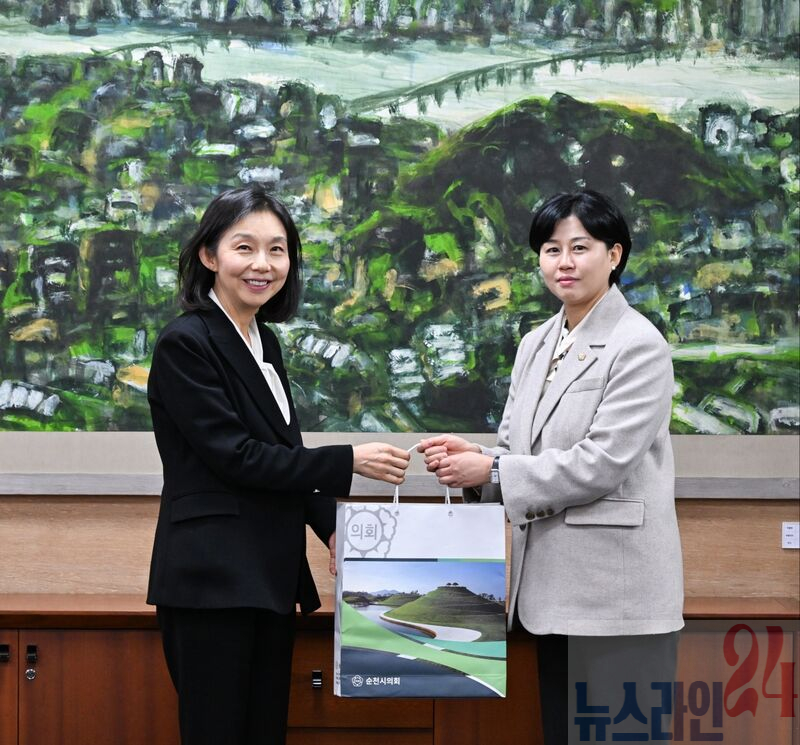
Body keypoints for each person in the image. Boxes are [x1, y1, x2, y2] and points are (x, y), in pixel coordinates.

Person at [146, 184, 410, 745]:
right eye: (244, 248)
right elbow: (237, 457)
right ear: (209, 255)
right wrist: (349, 460)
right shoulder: (185, 342)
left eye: (277, 249)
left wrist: (333, 527)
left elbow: (281, 453)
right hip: (212, 580)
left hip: (266, 575)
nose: (262, 264)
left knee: (263, 732)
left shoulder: (263, 341)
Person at [419, 189, 684, 744]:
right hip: (548, 598)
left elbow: (601, 463)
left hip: (616, 602)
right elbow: (516, 451)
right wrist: (477, 460)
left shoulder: (639, 343)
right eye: (551, 249)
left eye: (580, 247)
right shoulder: (536, 344)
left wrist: (492, 472)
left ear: (614, 255)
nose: (564, 262)